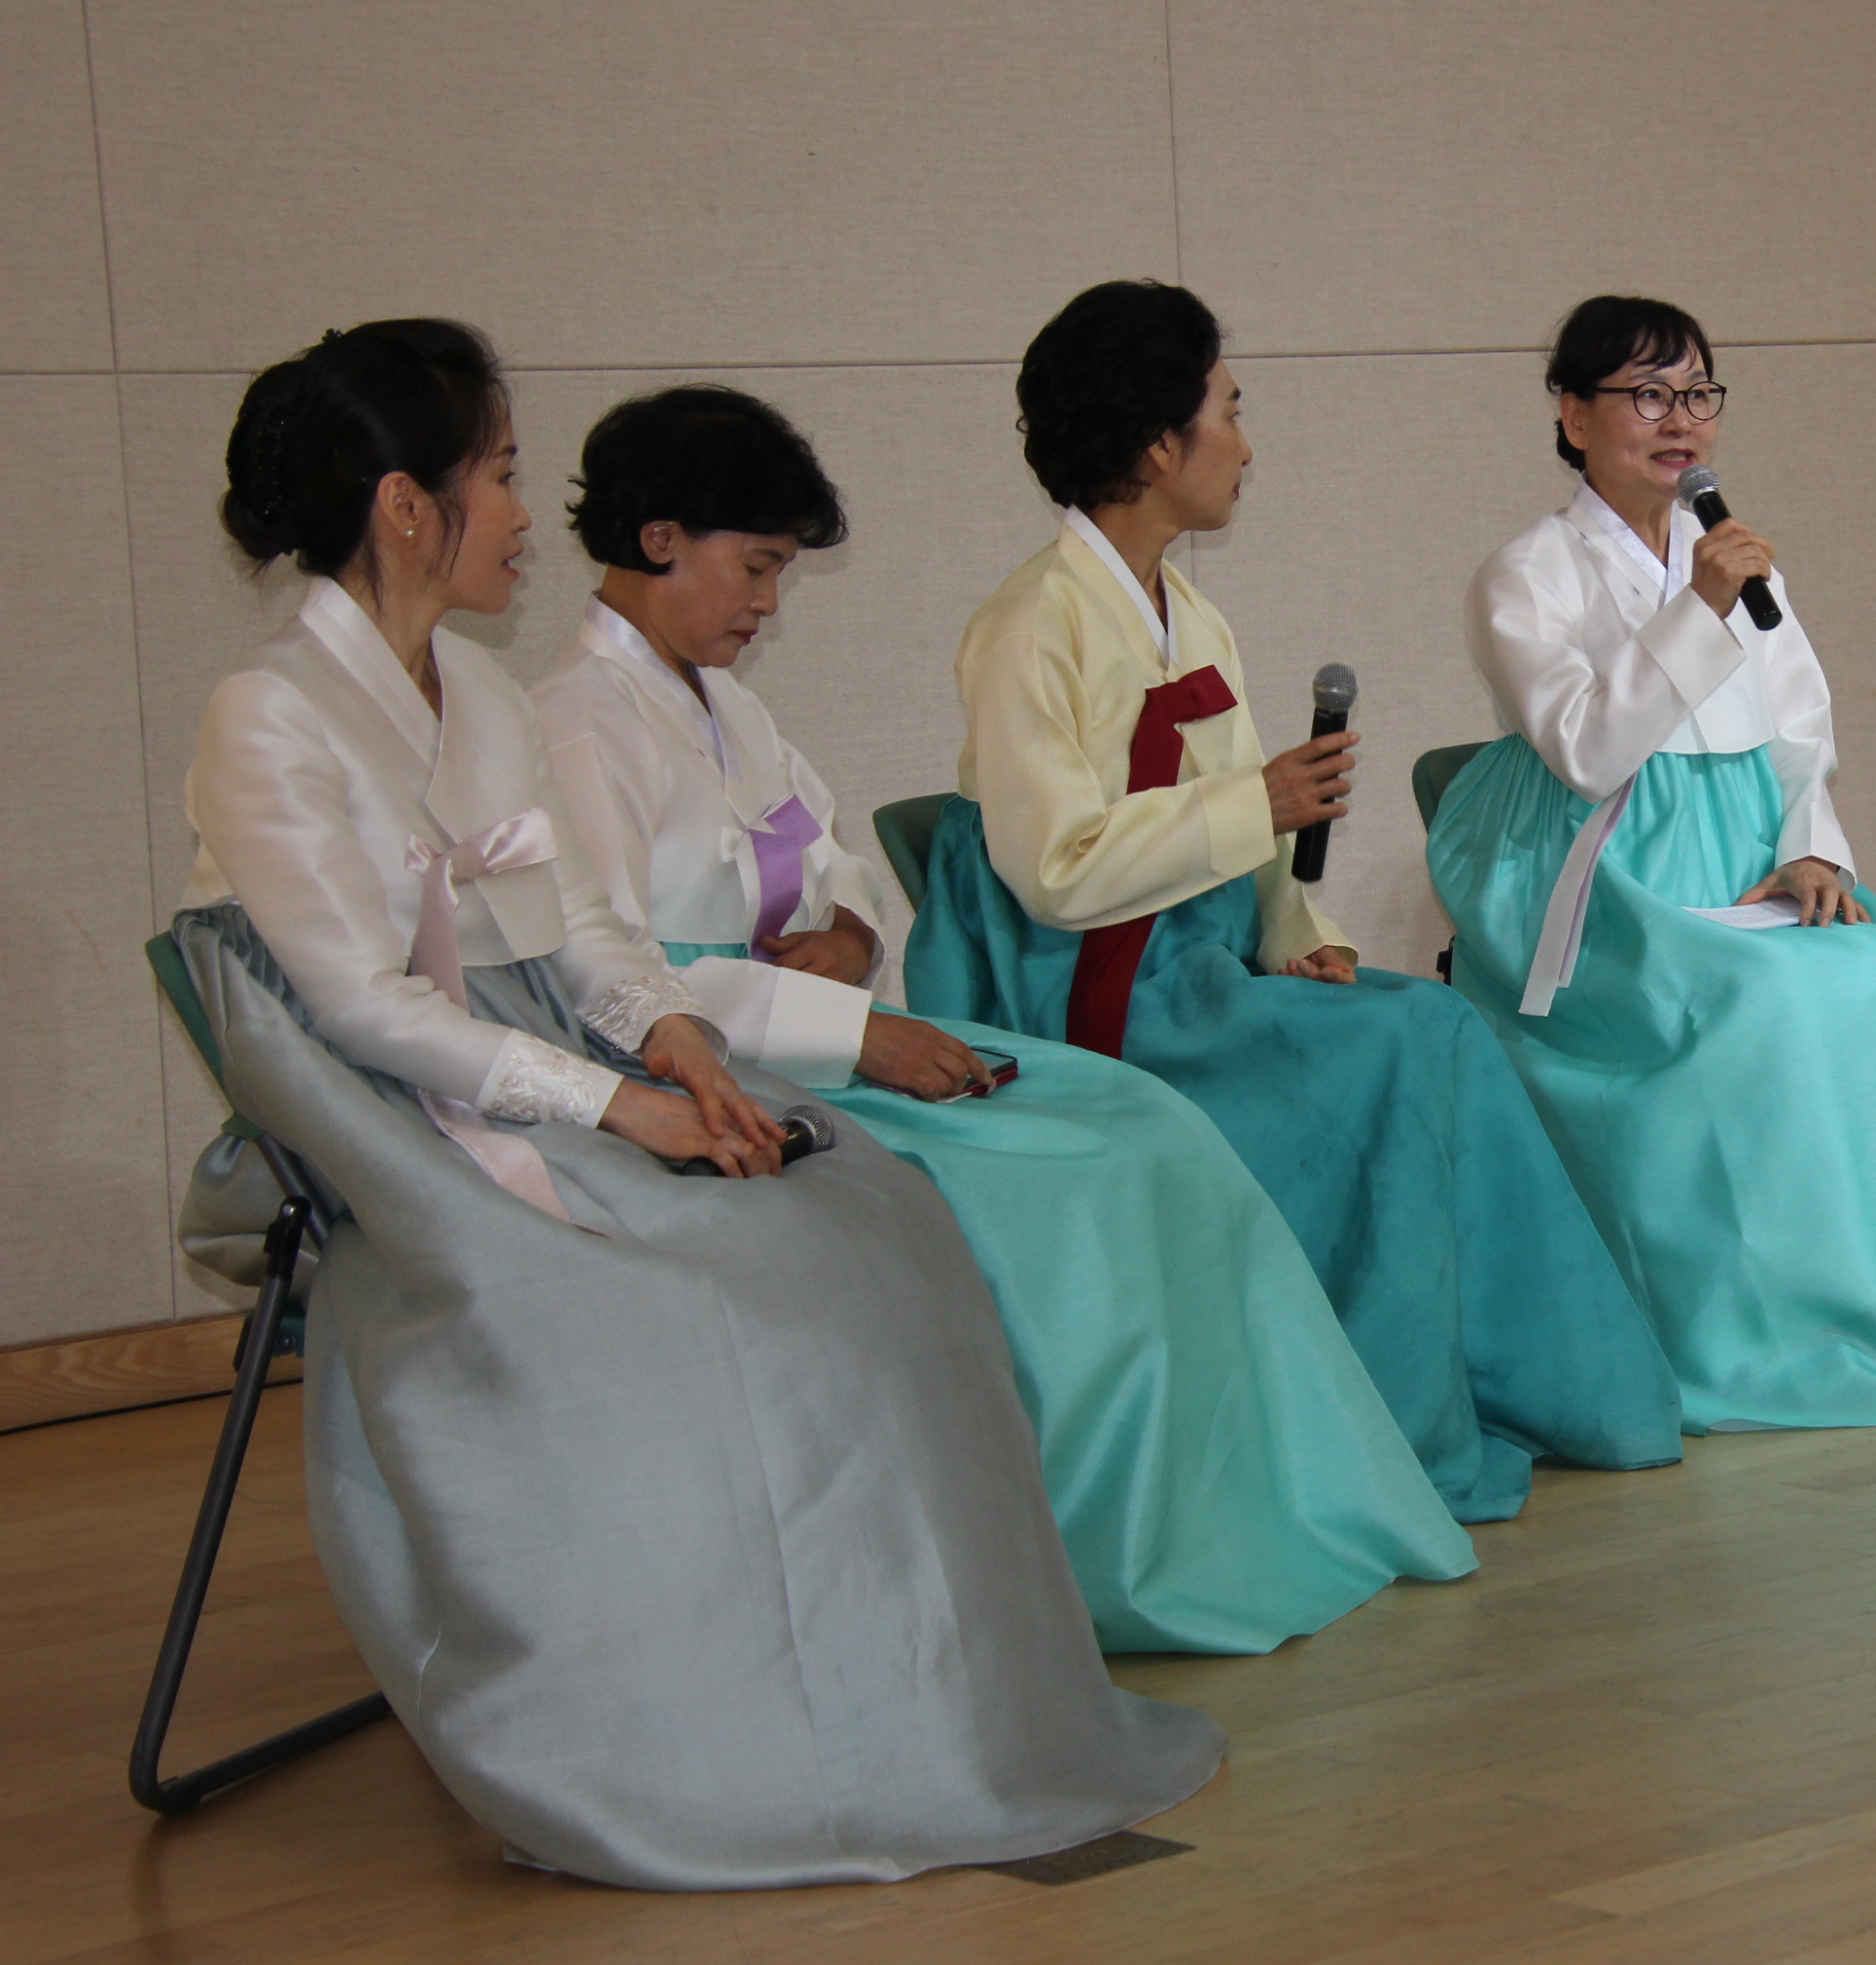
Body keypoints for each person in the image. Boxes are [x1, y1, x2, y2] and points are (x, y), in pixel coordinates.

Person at [173, 320, 1218, 1888]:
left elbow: (584, 929)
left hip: (534, 1058)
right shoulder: (268, 709)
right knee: (715, 1289)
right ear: (404, 505)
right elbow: (361, 1007)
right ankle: (695, 1733)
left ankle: (925, 1706)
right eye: (499, 475)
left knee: (868, 1213)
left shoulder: (478, 691)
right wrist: (615, 1104)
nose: (524, 514)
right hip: (392, 1116)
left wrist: (676, 1040)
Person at [530, 382, 1475, 1654]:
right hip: (710, 1075)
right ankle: (1107, 1548)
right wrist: (857, 1032)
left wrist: (852, 932)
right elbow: (615, 983)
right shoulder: (574, 725)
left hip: (802, 1029)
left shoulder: (723, 703)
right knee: (1071, 1176)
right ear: (660, 541)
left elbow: (836, 859)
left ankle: (1237, 1504)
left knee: (1142, 1118)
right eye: (755, 568)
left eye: (780, 574)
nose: (768, 604)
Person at [904, 280, 1684, 1523]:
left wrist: (1298, 935)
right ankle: (1388, 1423)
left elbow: (1251, 841)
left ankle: (1521, 1391)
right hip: (1090, 986)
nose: (1246, 445)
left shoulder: (1192, 614)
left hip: (1195, 962)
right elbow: (1053, 870)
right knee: (1398, 1046)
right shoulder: (1029, 625)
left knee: (1436, 1026)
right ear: (1157, 445)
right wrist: (1256, 804)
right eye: (1228, 411)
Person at [1425, 295, 1876, 1429]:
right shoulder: (1525, 574)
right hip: (1603, 867)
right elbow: (1590, 753)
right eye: (1648, 394)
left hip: (1744, 843)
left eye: (1698, 392)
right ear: (1573, 414)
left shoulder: (1744, 568)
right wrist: (1698, 607)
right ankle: (1748, 1329)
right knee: (1757, 1003)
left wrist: (1808, 849)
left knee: (1874, 976)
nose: (1680, 419)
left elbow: (1801, 730)